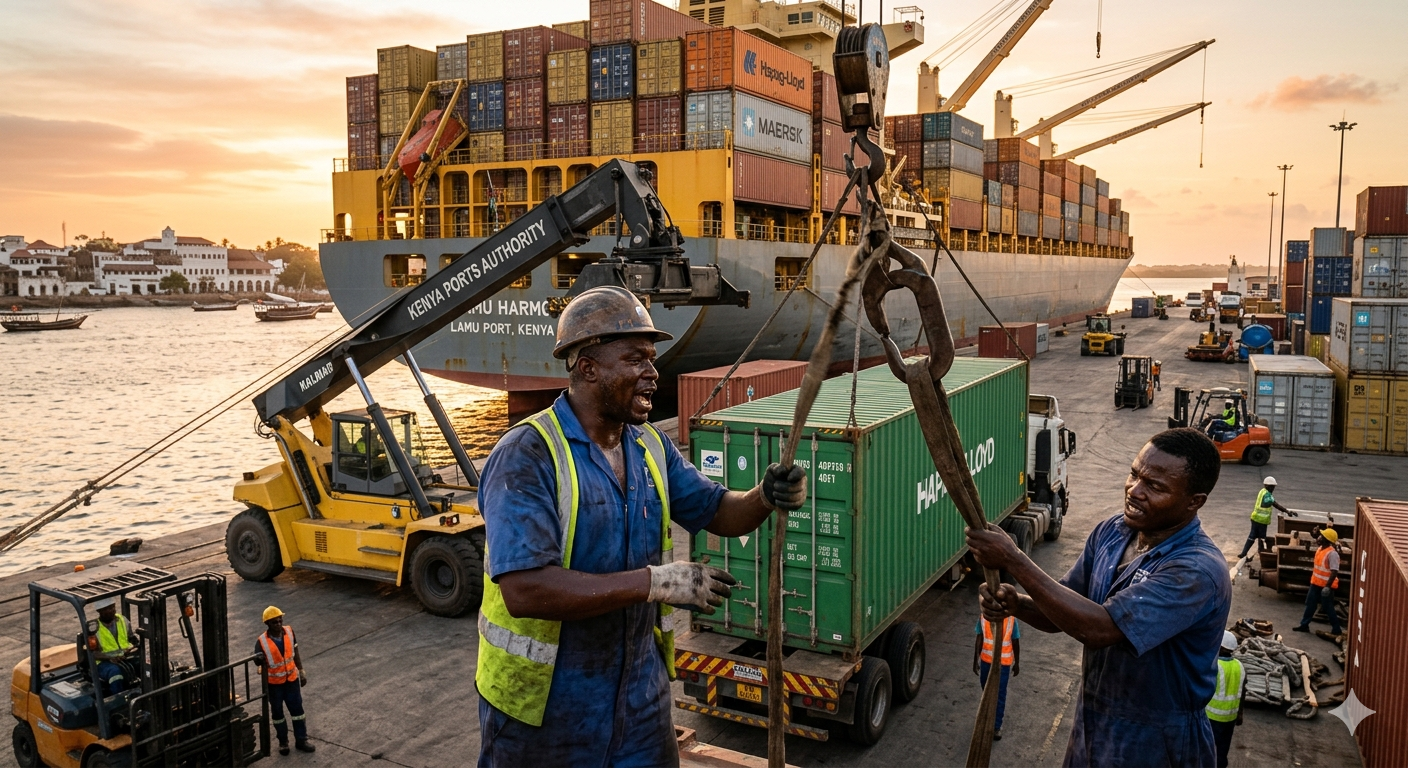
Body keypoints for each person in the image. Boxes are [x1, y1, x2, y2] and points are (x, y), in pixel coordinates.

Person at [475, 286, 808, 767]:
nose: (653, 374)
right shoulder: (527, 455)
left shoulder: (649, 445)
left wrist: (763, 496)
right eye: (635, 360)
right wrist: (656, 582)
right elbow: (525, 591)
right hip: (544, 715)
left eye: (652, 359)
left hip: (639, 703)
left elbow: (717, 510)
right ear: (587, 368)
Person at [966, 428, 1232, 767]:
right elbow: (1060, 612)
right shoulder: (1112, 532)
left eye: (1155, 486)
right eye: (1135, 474)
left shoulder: (1196, 570)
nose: (1134, 491)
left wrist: (1014, 559)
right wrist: (1017, 605)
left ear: (1195, 501)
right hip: (1094, 723)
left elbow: (1098, 630)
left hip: (1158, 742)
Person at [254, 606, 314, 756]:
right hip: (275, 685)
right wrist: (258, 660)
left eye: (280, 620)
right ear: (267, 624)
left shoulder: (289, 632)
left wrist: (301, 671)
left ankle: (301, 740)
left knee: (297, 712)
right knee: (278, 714)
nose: (279, 624)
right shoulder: (261, 641)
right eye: (275, 622)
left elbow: (295, 652)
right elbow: (257, 661)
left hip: (291, 681)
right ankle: (283, 742)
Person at [972, 613, 1020, 740]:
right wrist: (975, 659)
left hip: (1003, 663)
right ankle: (988, 718)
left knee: (999, 694)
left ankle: (996, 726)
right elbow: (979, 637)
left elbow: (1015, 641)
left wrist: (1017, 663)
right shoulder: (983, 616)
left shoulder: (1011, 620)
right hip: (986, 661)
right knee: (986, 691)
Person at [1206, 631, 1244, 768]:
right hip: (1230, 717)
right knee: (1222, 751)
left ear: (1220, 647)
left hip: (1211, 716)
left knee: (1207, 750)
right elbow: (1243, 691)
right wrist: (1240, 713)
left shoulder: (1214, 665)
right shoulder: (1239, 666)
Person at [1293, 528, 1343, 635]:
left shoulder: (1332, 554)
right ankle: (1304, 625)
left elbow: (1334, 571)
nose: (1319, 538)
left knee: (1328, 607)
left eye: (1322, 536)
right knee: (1310, 604)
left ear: (1326, 540)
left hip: (1325, 586)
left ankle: (1336, 629)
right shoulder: (1320, 549)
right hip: (1315, 584)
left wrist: (1328, 587)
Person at [1237, 477, 1289, 560]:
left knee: (1252, 536)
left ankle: (1243, 553)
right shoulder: (1268, 495)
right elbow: (1275, 504)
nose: (1272, 489)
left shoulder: (1262, 491)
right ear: (1267, 486)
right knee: (1262, 538)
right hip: (1261, 520)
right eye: (1271, 487)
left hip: (1255, 518)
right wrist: (1286, 511)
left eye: (1273, 487)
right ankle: (1261, 555)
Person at [92, 597, 134, 694]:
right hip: (104, 662)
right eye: (107, 609)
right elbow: (93, 654)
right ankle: (119, 700)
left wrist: (132, 648)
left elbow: (132, 638)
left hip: (125, 657)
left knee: (146, 663)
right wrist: (110, 658)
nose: (111, 611)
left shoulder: (122, 620)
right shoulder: (94, 628)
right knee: (115, 673)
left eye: (112, 607)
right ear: (99, 611)